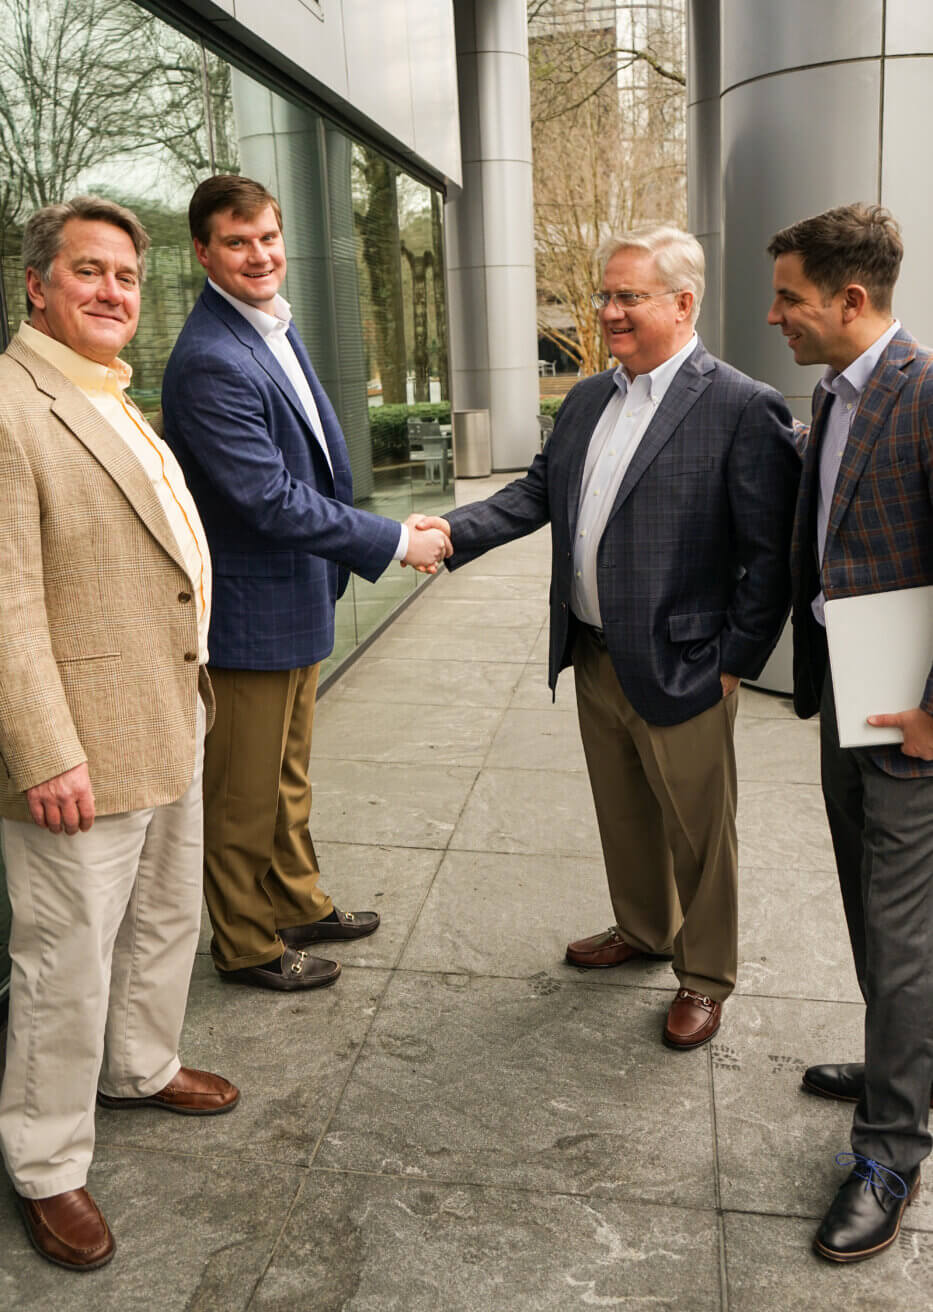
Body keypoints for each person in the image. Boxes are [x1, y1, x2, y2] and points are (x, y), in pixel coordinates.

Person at [419, 225, 799, 1048]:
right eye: (604, 294)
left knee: (700, 832)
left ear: (681, 302)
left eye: (627, 296)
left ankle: (703, 974)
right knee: (623, 812)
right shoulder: (591, 397)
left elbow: (770, 560)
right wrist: (448, 534)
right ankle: (643, 929)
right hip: (593, 651)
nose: (606, 311)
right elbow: (531, 496)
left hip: (688, 662)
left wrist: (734, 662)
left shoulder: (741, 406)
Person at [0, 196, 238, 1272]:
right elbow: (5, 602)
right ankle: (46, 1161)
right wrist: (42, 745)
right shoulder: (12, 404)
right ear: (37, 283)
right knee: (64, 961)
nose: (112, 292)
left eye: (128, 278)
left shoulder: (111, 396)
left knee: (163, 915)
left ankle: (139, 1062)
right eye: (89, 271)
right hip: (76, 750)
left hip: (166, 712)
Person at [161, 175, 449, 993]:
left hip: (294, 597)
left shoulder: (271, 327)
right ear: (205, 253)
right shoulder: (213, 358)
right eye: (238, 241)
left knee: (286, 777)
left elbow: (313, 462)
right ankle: (247, 943)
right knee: (244, 793)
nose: (260, 255)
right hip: (251, 613)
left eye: (268, 237)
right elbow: (265, 497)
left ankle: (296, 899)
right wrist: (395, 539)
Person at [768, 202, 933, 1263]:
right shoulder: (832, 396)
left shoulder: (924, 397)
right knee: (870, 914)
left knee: (904, 930)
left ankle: (891, 1148)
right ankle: (897, 1067)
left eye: (789, 297)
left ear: (850, 299)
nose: (778, 314)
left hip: (911, 719)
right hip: (849, 692)